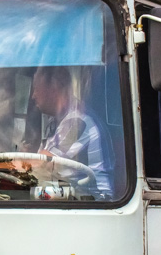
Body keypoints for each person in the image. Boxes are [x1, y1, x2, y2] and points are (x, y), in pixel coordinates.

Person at [29, 66, 114, 198]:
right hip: (72, 199)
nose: (33, 96)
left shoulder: (78, 121)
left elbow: (43, 163)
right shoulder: (54, 124)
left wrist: (4, 163)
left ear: (55, 86)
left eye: (36, 88)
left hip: (95, 205)